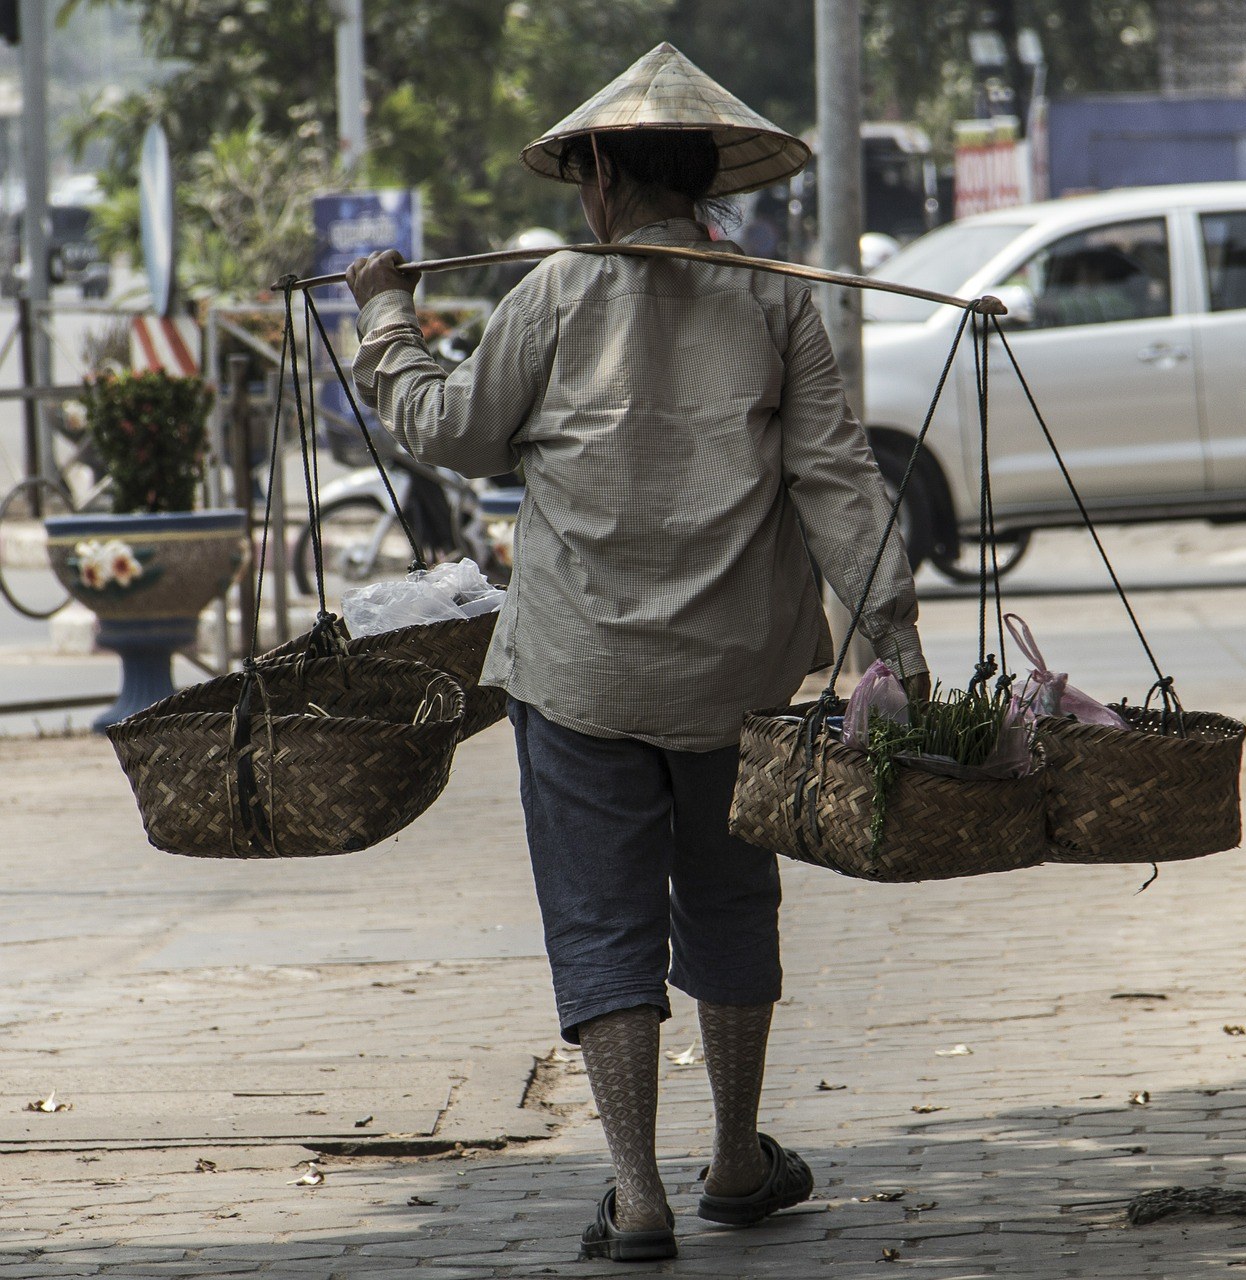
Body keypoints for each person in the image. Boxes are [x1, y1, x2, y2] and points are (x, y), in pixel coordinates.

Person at [345, 42, 929, 1264]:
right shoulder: (775, 299)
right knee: (728, 897)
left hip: (578, 676)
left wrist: (385, 314)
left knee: (600, 922)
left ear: (601, 177)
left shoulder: (555, 295)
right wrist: (896, 650)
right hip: (736, 681)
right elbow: (841, 488)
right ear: (704, 175)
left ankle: (637, 1190)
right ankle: (732, 1156)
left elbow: (449, 428)